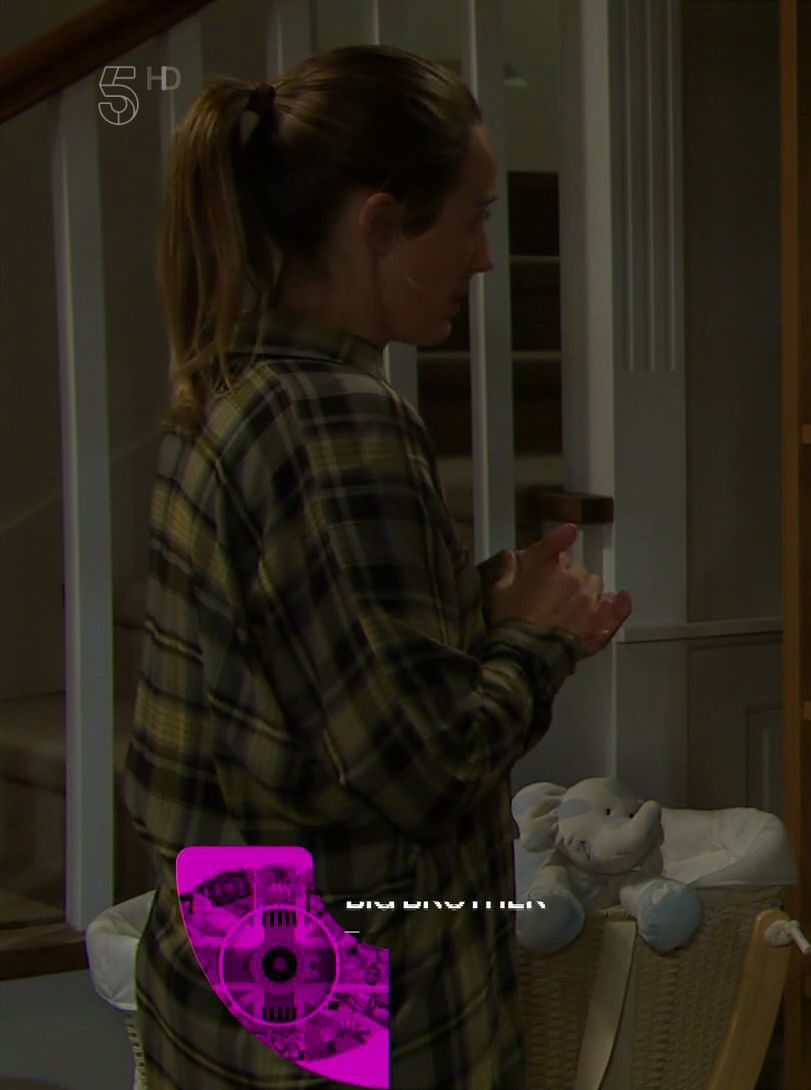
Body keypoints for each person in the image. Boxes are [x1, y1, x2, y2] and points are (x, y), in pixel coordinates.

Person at [122, 45, 631, 1089]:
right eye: (472, 218)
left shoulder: (232, 388)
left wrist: (469, 610)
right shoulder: (341, 420)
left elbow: (303, 686)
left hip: (232, 958)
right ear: (379, 223)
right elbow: (422, 766)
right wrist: (538, 643)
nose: (485, 258)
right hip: (342, 987)